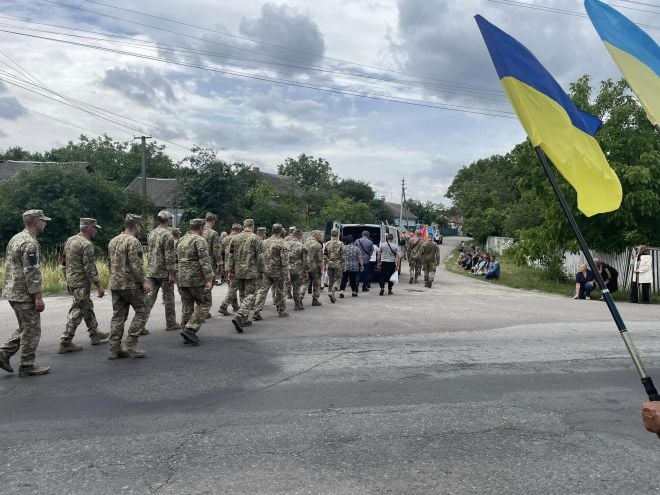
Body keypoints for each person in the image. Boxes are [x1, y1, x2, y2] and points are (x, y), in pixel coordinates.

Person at [0, 209, 51, 377]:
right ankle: (27, 366)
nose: (45, 223)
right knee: (32, 330)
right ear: (36, 222)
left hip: (12, 291)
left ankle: (4, 354)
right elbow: (32, 271)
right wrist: (38, 297)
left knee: (26, 327)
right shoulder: (30, 243)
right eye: (43, 220)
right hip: (24, 294)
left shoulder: (16, 238)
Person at [59, 217, 109, 354]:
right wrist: (99, 286)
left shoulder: (70, 240)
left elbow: (64, 262)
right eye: (95, 228)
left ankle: (94, 334)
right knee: (78, 310)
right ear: (88, 228)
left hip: (72, 281)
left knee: (86, 306)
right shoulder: (86, 244)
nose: (96, 231)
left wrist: (68, 280)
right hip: (81, 282)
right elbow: (90, 268)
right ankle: (66, 341)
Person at [107, 214, 151, 359]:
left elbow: (110, 264)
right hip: (130, 283)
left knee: (118, 315)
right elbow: (136, 265)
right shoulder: (133, 241)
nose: (140, 229)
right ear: (136, 226)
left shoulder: (113, 241)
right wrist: (144, 281)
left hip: (115, 283)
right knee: (142, 311)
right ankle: (131, 343)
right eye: (140, 226)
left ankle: (114, 348)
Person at [177, 219, 215, 345]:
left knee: (187, 305)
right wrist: (209, 279)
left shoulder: (181, 240)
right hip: (196, 278)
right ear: (201, 228)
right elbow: (204, 261)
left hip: (182, 278)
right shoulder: (199, 240)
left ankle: (186, 330)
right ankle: (190, 329)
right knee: (205, 303)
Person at [144, 210, 179, 332]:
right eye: (170, 219)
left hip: (152, 270)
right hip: (164, 271)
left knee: (149, 299)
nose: (171, 221)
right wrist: (172, 273)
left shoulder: (151, 233)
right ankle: (171, 323)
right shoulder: (167, 235)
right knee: (168, 298)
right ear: (167, 219)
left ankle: (140, 324)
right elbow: (169, 256)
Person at [227, 218, 264, 332]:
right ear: (252, 226)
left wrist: (231, 270)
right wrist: (261, 270)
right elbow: (260, 257)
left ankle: (244, 319)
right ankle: (240, 315)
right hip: (251, 271)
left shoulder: (235, 238)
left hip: (239, 270)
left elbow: (231, 255)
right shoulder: (256, 238)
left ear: (243, 226)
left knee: (242, 294)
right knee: (251, 295)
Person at [253, 224, 289, 320]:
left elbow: (260, 256)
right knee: (280, 291)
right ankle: (281, 310)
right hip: (277, 271)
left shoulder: (264, 242)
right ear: (281, 231)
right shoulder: (281, 243)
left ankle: (257, 310)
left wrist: (260, 269)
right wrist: (287, 273)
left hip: (266, 270)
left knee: (262, 290)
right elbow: (284, 260)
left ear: (272, 231)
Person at [202, 213, 223, 318]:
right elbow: (216, 250)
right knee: (209, 285)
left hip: (198, 263)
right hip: (209, 263)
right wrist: (220, 264)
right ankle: (204, 310)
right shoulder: (213, 233)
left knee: (200, 286)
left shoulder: (199, 230)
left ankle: (200, 308)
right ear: (213, 221)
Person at [218, 223, 241, 315]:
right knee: (233, 288)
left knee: (231, 287)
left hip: (227, 266)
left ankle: (235, 306)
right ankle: (224, 306)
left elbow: (220, 253)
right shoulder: (239, 239)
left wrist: (221, 266)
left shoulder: (225, 239)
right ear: (239, 230)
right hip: (236, 267)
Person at [286, 229, 308, 311]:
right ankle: (297, 305)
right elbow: (306, 260)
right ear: (299, 235)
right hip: (297, 269)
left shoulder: (285, 244)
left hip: (286, 268)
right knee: (296, 287)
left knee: (284, 287)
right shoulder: (302, 245)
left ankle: (281, 306)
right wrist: (306, 271)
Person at [324, 229, 345, 303]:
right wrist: (344, 265)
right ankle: (332, 292)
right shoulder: (340, 243)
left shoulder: (327, 243)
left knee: (331, 280)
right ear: (338, 234)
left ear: (331, 234)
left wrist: (325, 264)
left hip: (329, 264)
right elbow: (343, 256)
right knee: (338, 280)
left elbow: (325, 255)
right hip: (338, 264)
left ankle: (330, 293)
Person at [303, 230, 323, 306]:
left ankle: (299, 298)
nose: (320, 237)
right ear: (316, 235)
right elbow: (320, 259)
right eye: (319, 235)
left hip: (305, 266)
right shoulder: (318, 245)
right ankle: (315, 300)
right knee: (317, 283)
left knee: (304, 283)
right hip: (315, 267)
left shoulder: (304, 243)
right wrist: (321, 268)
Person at [283, 226, 296, 299]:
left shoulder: (286, 238)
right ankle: (296, 293)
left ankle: (288, 292)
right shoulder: (297, 238)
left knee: (287, 278)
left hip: (287, 260)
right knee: (295, 278)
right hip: (296, 261)